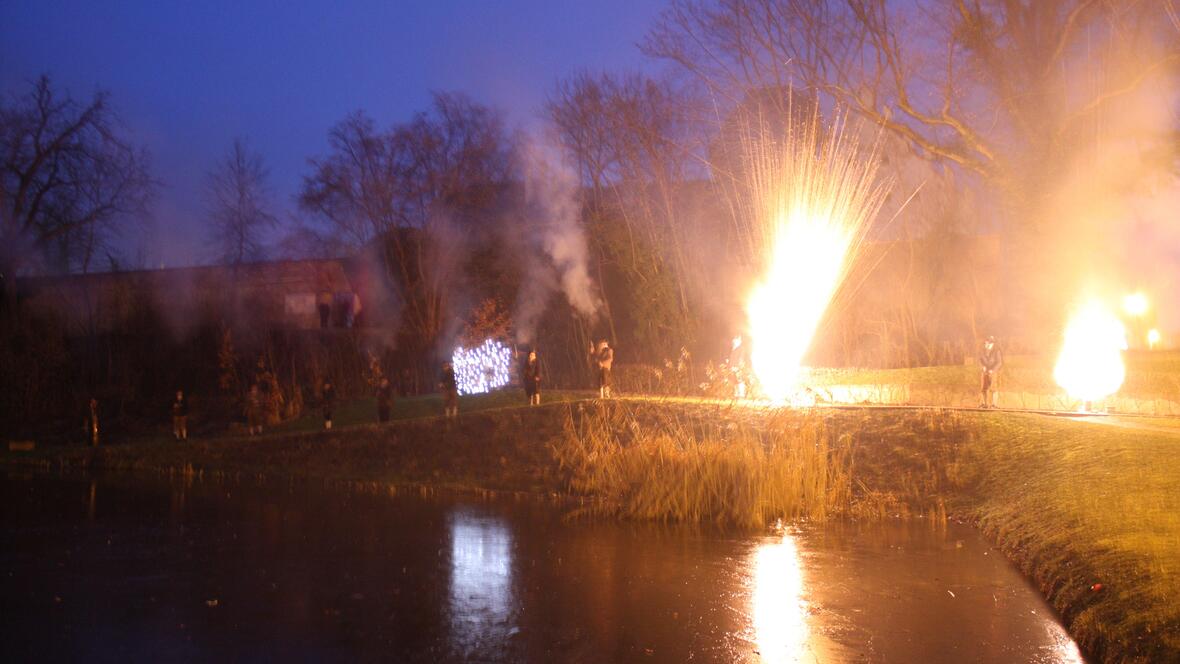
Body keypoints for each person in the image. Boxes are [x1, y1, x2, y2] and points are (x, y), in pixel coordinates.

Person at [979, 335, 1003, 408]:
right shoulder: (982, 351)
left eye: (988, 342)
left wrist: (993, 370)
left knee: (994, 388)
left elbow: (999, 362)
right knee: (983, 388)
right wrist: (982, 367)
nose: (986, 344)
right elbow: (980, 360)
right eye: (986, 342)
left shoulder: (996, 351)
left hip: (993, 372)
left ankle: (994, 404)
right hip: (984, 372)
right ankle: (984, 404)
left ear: (992, 343)